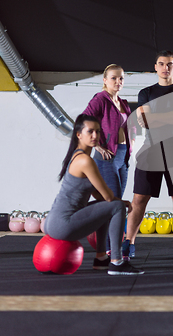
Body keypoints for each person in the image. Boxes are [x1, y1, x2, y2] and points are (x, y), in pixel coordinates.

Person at [44, 114, 144, 275]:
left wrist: (118, 202)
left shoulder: (77, 156)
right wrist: (122, 203)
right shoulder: (85, 161)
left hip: (55, 222)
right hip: (63, 225)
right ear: (79, 134)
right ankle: (117, 262)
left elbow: (99, 196)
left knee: (108, 206)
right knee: (116, 206)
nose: (95, 136)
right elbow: (108, 197)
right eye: (90, 131)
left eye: (98, 131)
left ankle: (101, 258)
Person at [122, 50, 173, 259]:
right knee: (139, 199)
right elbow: (144, 121)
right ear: (155, 67)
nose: (165, 68)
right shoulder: (146, 92)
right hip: (151, 149)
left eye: (169, 64)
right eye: (161, 64)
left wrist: (157, 117)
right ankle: (129, 242)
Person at [83, 65, 135, 253]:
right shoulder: (100, 99)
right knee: (114, 204)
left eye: (121, 78)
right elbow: (83, 120)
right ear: (104, 80)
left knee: (117, 203)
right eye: (113, 78)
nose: (118, 82)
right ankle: (109, 250)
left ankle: (112, 248)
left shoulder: (122, 102)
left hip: (123, 157)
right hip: (107, 158)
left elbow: (126, 126)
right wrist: (96, 145)